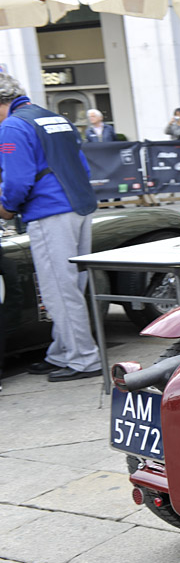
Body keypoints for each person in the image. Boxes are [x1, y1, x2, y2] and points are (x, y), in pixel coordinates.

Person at [0, 73, 101, 382]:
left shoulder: (12, 127)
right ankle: (61, 351)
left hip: (49, 212)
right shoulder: (53, 118)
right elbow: (82, 165)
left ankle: (84, 359)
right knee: (71, 285)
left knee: (59, 289)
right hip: (79, 207)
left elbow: (17, 180)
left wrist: (6, 208)